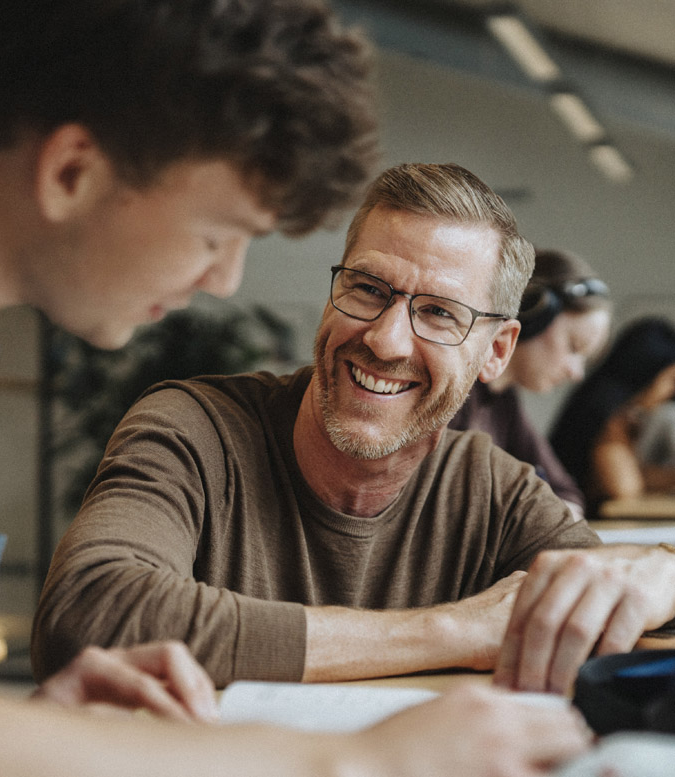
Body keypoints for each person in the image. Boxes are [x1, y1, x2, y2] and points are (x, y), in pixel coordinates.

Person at [0, 2, 594, 777]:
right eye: (217, 233)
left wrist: (28, 730)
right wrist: (359, 774)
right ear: (72, 171)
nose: (225, 281)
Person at [33, 162, 675, 699]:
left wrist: (659, 571)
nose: (387, 339)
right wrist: (454, 631)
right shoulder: (197, 431)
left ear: (497, 351)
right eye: (368, 289)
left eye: (439, 313)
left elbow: (622, 629)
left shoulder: (492, 490)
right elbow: (89, 614)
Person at [449, 248, 612, 519]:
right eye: (574, 347)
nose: (577, 373)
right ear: (531, 313)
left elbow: (565, 492)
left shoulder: (505, 402)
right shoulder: (457, 393)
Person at [550, 317, 675, 513]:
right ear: (646, 373)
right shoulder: (604, 413)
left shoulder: (614, 408)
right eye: (669, 380)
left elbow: (641, 475)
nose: (670, 391)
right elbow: (625, 488)